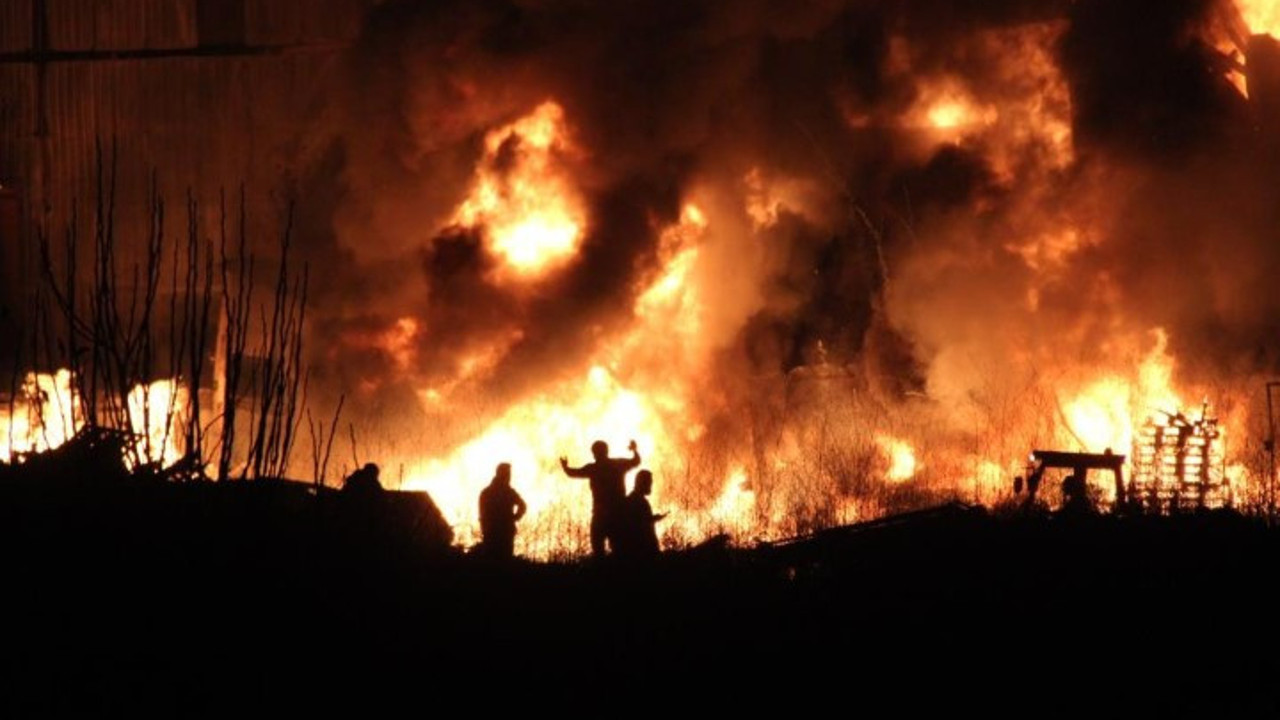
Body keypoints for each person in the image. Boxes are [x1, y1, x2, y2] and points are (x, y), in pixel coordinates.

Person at [560, 439, 641, 558]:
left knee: (598, 550)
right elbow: (636, 461)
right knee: (619, 550)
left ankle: (600, 572)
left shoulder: (593, 468)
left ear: (594, 453)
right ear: (607, 451)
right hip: (618, 515)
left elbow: (573, 473)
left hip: (600, 515)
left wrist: (565, 466)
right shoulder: (618, 464)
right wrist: (634, 450)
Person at [615, 469, 667, 560]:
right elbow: (638, 525)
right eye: (649, 483)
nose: (650, 486)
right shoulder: (637, 501)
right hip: (642, 554)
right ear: (643, 483)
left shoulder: (633, 499)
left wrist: (653, 518)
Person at [478, 462, 527, 559]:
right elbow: (523, 505)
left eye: (509, 474)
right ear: (501, 474)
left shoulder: (487, 492)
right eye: (507, 474)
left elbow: (523, 505)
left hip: (496, 533)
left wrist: (516, 517)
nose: (509, 476)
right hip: (497, 533)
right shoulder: (505, 492)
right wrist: (515, 517)